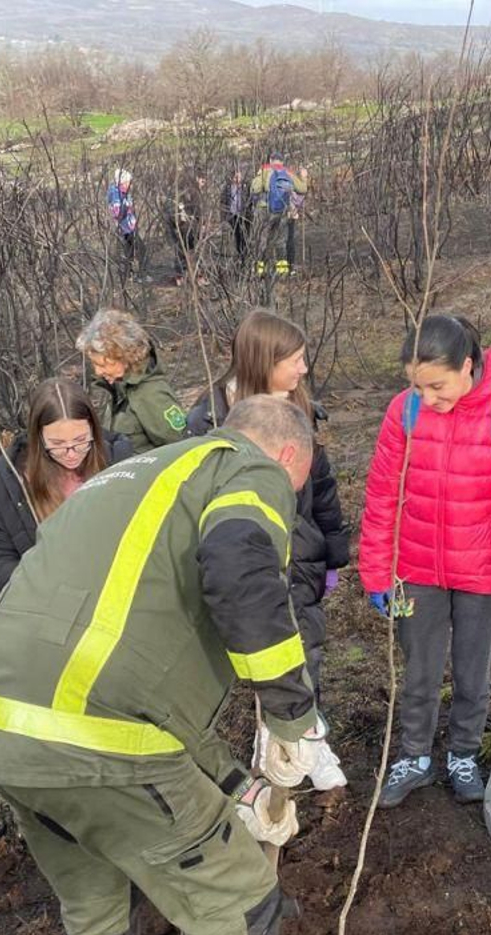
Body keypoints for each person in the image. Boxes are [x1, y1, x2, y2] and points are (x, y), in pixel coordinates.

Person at [0, 397, 324, 935]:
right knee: (239, 911)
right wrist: (293, 715)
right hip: (98, 740)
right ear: (290, 459)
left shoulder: (133, 474)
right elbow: (238, 564)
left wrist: (237, 785)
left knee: (95, 896)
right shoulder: (248, 469)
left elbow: (131, 658)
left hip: (5, 725)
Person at [359, 315, 491, 808]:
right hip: (416, 568)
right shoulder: (403, 413)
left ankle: (463, 755)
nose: (426, 398)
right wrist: (375, 569)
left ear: (467, 366)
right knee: (419, 671)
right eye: (416, 386)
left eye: (436, 385)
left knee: (474, 671)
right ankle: (414, 756)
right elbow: (383, 495)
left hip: (485, 569)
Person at [185, 310, 350, 792]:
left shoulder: (299, 405)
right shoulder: (210, 417)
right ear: (264, 359)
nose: (303, 369)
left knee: (306, 652)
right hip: (245, 560)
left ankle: (310, 743)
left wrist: (333, 551)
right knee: (259, 653)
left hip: (298, 555)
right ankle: (269, 742)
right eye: (294, 360)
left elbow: (321, 487)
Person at [0, 379, 133, 596]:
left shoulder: (121, 463)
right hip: (50, 603)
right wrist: (36, 586)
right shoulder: (12, 481)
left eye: (80, 440)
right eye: (57, 444)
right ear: (38, 437)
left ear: (94, 430)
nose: (71, 453)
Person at [77, 308, 188, 453]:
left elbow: (182, 448)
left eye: (103, 365)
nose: (98, 372)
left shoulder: (151, 395)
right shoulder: (121, 388)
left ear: (125, 357)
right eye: (95, 364)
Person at [250, 152, 307, 278]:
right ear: (282, 161)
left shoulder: (265, 171)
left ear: (271, 160)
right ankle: (282, 271)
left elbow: (255, 189)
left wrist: (260, 174)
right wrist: (304, 177)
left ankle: (260, 271)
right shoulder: (287, 172)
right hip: (282, 211)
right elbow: (302, 189)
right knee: (280, 241)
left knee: (262, 240)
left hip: (264, 211)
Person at [106, 168, 150, 281]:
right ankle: (139, 275)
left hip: (130, 227)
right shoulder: (116, 194)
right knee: (140, 249)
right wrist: (125, 207)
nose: (130, 184)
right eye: (128, 182)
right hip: (124, 229)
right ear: (121, 182)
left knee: (130, 252)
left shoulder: (125, 193)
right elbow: (118, 213)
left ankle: (129, 275)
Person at [220, 168, 250, 261]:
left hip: (244, 216)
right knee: (236, 237)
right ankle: (237, 256)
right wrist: (224, 217)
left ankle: (245, 257)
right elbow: (223, 202)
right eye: (236, 177)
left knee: (245, 237)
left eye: (239, 176)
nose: (238, 179)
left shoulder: (246, 187)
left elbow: (249, 201)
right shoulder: (227, 188)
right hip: (232, 216)